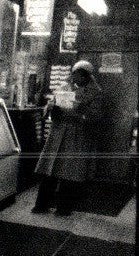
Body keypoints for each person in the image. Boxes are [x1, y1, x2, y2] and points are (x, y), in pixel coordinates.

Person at [32, 60, 104, 216]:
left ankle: (63, 208)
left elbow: (97, 116)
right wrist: (50, 108)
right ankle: (41, 205)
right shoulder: (63, 88)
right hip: (57, 134)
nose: (76, 77)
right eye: (75, 73)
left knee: (69, 174)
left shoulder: (95, 93)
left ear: (87, 76)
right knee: (48, 171)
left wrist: (81, 112)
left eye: (80, 75)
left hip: (77, 135)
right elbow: (49, 107)